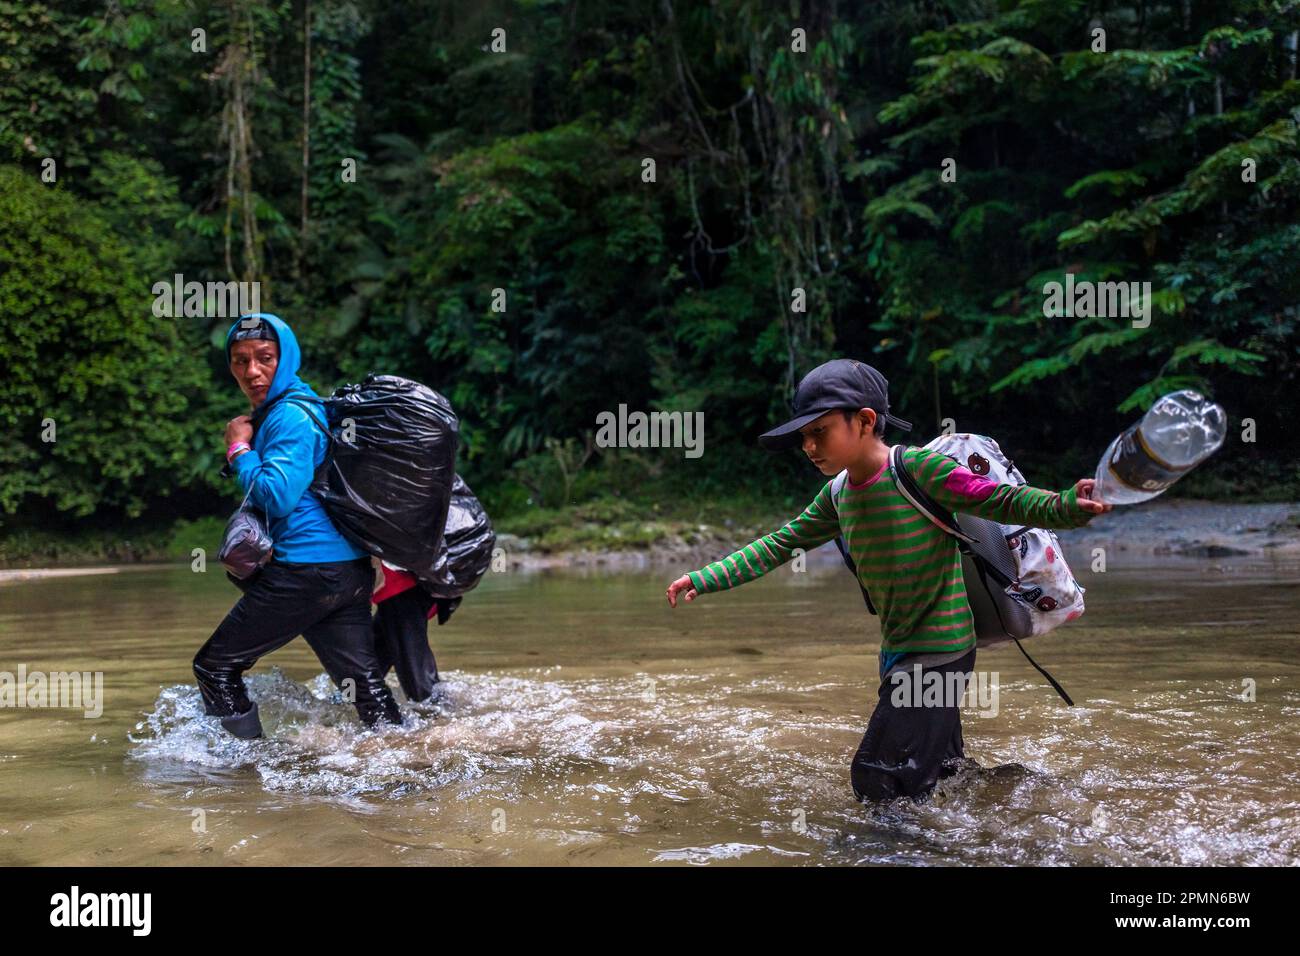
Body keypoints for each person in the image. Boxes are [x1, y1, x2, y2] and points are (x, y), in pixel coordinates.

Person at [665, 359, 1112, 802]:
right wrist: (705, 577)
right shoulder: (837, 495)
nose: (808, 446)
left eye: (818, 431)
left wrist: (1068, 506)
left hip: (942, 650)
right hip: (897, 654)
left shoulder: (916, 470)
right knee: (945, 774)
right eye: (803, 436)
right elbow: (781, 543)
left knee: (879, 779)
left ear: (864, 421)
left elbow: (1000, 500)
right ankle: (1010, 801)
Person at [193, 313, 402, 738]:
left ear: (287, 357)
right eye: (240, 360)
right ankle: (412, 764)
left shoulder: (290, 417)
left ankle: (243, 775)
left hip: (305, 572)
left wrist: (237, 447)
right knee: (365, 689)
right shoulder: (305, 407)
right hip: (346, 572)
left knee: (214, 667)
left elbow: (276, 495)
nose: (252, 371)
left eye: (265, 358)